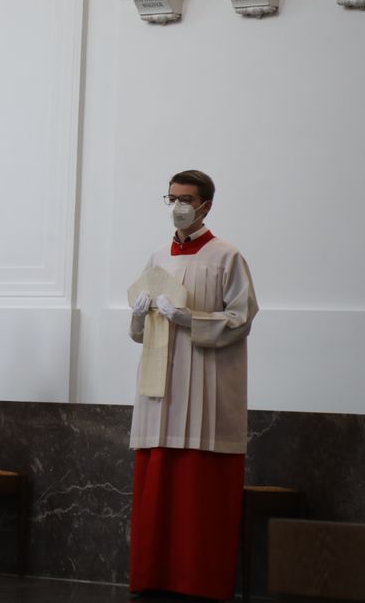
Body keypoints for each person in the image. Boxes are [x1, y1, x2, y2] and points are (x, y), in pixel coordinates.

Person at [127, 170, 258, 600]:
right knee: (158, 485)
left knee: (198, 494)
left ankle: (197, 582)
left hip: (205, 385)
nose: (178, 206)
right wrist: (138, 312)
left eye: (186, 199)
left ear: (206, 205)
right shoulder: (157, 257)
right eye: (172, 197)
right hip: (161, 385)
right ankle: (154, 577)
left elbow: (241, 319)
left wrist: (192, 320)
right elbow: (141, 332)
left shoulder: (226, 257)